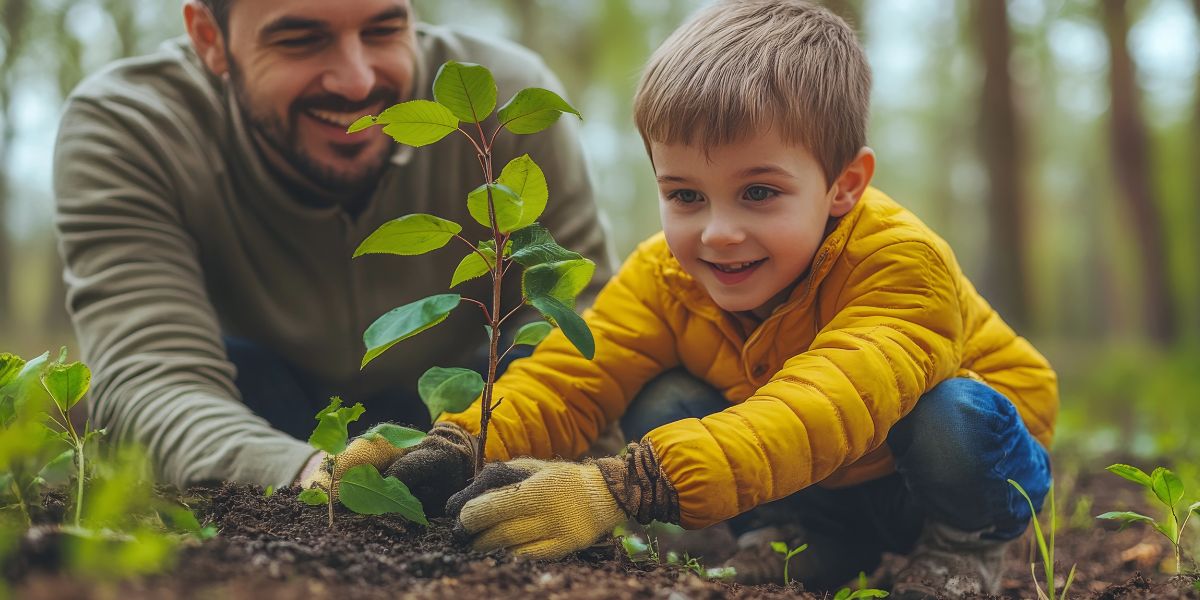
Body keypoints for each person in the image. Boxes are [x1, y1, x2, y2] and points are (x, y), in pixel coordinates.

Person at [357, 1, 1060, 597]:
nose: (719, 233)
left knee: (954, 415)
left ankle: (966, 551)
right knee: (657, 396)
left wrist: (623, 487)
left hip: (936, 477)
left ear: (844, 184)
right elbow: (575, 377)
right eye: (685, 195)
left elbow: (825, 404)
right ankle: (798, 536)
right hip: (814, 478)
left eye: (760, 192)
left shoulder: (902, 264)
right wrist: (458, 442)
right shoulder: (664, 274)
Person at [51, 0, 613, 491]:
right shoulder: (132, 126)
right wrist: (322, 480)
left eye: (383, 30)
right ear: (210, 38)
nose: (356, 81)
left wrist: (501, 457)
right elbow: (150, 381)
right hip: (254, 414)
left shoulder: (502, 106)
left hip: (470, 416)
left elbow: (581, 321)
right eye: (301, 40)